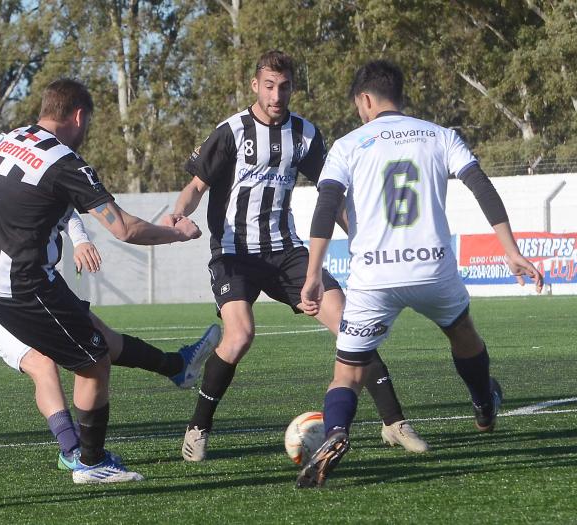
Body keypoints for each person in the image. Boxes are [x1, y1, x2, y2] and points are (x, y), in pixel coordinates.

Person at [0, 78, 203, 484]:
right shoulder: (66, 162)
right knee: (94, 363)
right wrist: (178, 234)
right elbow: (123, 229)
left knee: (96, 334)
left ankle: (176, 366)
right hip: (25, 288)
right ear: (79, 115)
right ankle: (90, 461)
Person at [166, 50, 426, 462]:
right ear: (255, 85)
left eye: (284, 86)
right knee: (239, 336)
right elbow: (197, 185)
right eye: (269, 86)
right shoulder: (232, 131)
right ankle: (198, 428)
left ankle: (394, 422)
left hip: (286, 250)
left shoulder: (304, 134)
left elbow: (332, 194)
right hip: (234, 252)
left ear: (292, 87)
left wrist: (361, 234)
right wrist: (178, 215)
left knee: (350, 325)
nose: (276, 94)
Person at [295, 59, 543, 488]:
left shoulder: (348, 144)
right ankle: (484, 403)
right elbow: (481, 185)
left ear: (365, 100)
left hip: (373, 276)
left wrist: (314, 273)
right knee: (463, 333)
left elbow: (324, 207)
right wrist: (511, 251)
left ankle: (335, 432)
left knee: (348, 374)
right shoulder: (440, 135)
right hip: (433, 267)